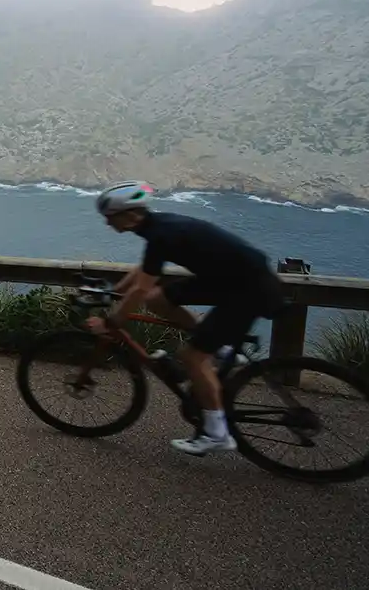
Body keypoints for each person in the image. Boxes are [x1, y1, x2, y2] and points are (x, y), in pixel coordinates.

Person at [89, 180, 287, 457]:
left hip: (249, 290)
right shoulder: (158, 227)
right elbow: (144, 274)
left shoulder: (161, 234)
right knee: (157, 299)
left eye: (110, 218)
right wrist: (115, 291)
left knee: (191, 357)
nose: (108, 224)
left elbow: (141, 286)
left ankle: (217, 434)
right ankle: (221, 349)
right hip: (234, 280)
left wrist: (112, 322)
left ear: (129, 216)